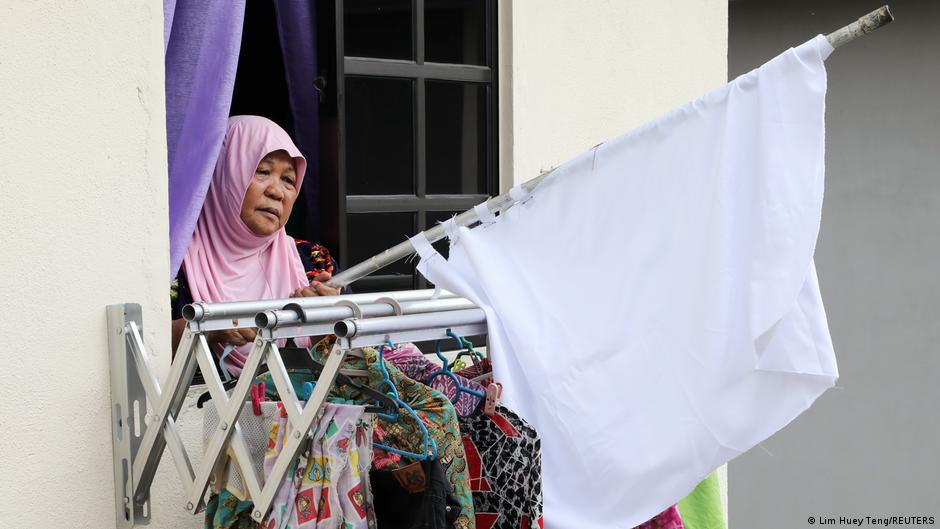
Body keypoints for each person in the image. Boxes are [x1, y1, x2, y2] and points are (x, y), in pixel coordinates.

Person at [170, 115, 341, 376]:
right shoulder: (173, 264)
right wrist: (208, 327)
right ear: (221, 175)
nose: (277, 192)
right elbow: (143, 346)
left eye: (289, 180)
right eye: (262, 172)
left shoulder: (314, 262)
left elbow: (351, 361)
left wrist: (328, 321)